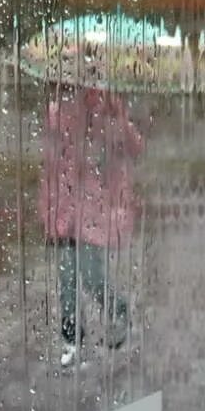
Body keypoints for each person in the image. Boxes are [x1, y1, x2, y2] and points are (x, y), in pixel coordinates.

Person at [40, 85, 143, 367]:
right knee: (67, 279)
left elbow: (133, 148)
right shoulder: (57, 112)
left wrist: (117, 117)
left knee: (92, 273)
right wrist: (49, 213)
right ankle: (71, 341)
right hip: (65, 211)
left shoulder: (110, 111)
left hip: (97, 211)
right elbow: (51, 166)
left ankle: (120, 310)